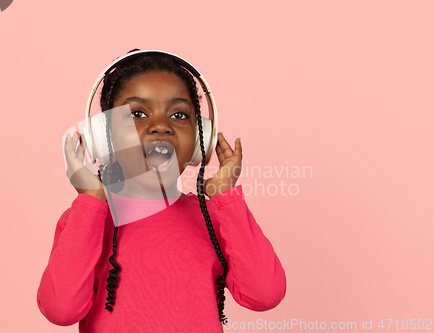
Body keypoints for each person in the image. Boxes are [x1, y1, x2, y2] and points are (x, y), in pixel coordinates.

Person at [37, 50, 286, 333]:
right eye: (138, 114)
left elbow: (265, 295)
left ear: (199, 139)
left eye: (179, 114)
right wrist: (91, 200)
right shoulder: (87, 218)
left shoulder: (214, 217)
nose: (160, 127)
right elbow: (61, 310)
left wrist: (225, 198)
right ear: (103, 137)